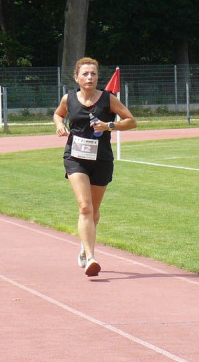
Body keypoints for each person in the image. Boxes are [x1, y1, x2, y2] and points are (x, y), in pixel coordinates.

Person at [53, 58, 137, 277]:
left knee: (94, 211)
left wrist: (109, 125)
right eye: (85, 74)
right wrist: (60, 125)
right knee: (84, 207)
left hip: (101, 159)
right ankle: (91, 257)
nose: (89, 77)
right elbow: (58, 113)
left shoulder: (108, 99)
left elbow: (131, 121)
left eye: (93, 74)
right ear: (76, 77)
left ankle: (84, 243)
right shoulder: (69, 98)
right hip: (76, 157)